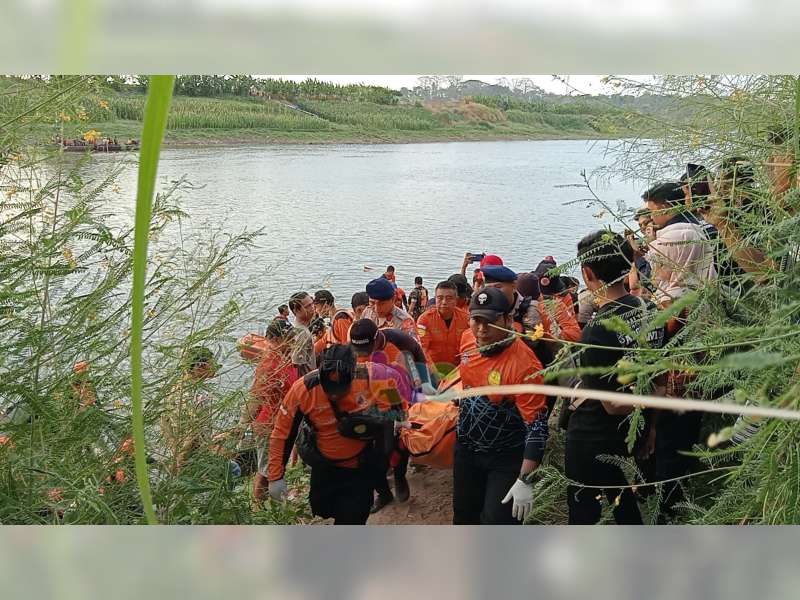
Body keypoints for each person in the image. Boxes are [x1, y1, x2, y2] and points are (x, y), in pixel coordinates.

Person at [567, 230, 665, 525]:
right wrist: (650, 427)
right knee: (622, 500)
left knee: (584, 508)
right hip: (631, 431)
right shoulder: (650, 310)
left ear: (587, 273)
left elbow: (612, 405)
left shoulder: (595, 331)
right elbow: (660, 379)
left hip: (593, 435)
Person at [267, 344, 407, 525]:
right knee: (321, 507)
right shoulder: (303, 390)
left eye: (340, 389)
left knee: (352, 517)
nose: (334, 395)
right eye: (329, 389)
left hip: (360, 465)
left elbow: (398, 403)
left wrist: (392, 423)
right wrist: (275, 477)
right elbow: (282, 434)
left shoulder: (375, 377)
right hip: (324, 464)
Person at [453, 287, 548, 525]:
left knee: (497, 521)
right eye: (476, 320)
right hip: (466, 448)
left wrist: (525, 479)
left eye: (490, 321)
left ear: (507, 319)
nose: (482, 330)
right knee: (463, 515)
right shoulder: (468, 340)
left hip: (505, 456)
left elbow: (537, 426)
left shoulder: (525, 365)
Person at [241, 320, 299, 506]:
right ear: (274, 339)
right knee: (265, 471)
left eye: (292, 338)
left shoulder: (285, 359)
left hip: (282, 423)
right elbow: (256, 398)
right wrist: (242, 426)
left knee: (274, 468)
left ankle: (273, 503)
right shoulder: (269, 365)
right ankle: (258, 508)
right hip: (268, 425)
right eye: (288, 339)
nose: (293, 342)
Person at [643, 181, 717, 308]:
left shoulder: (667, 240)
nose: (651, 217)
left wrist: (649, 246)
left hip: (678, 304)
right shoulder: (697, 227)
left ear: (664, 208)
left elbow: (655, 278)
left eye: (651, 211)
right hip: (708, 296)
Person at [160, 346, 219, 473]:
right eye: (212, 364)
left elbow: (164, 421)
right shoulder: (201, 397)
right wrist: (181, 459)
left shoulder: (173, 388)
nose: (215, 368)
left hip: (175, 452)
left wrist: (174, 451)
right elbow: (194, 432)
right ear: (200, 367)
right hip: (193, 457)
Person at [416, 280, 471, 378]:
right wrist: (434, 373)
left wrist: (461, 373)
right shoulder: (425, 320)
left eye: (449, 298)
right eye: (440, 298)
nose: (444, 302)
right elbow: (422, 350)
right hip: (432, 371)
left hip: (459, 372)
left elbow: (470, 348)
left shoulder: (466, 319)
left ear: (456, 300)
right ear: (435, 299)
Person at [361, 277, 418, 341]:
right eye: (372, 303)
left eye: (382, 304)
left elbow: (414, 346)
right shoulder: (367, 312)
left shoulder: (405, 322)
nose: (376, 309)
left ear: (393, 299)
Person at [312, 290, 353, 354]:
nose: (316, 311)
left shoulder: (341, 320)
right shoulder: (334, 319)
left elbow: (347, 346)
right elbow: (323, 341)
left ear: (326, 306)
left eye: (316, 307)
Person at [287, 291, 317, 375]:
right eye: (308, 306)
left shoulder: (296, 327)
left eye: (312, 304)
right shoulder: (303, 334)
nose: (312, 308)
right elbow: (297, 364)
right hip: (307, 379)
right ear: (296, 311)